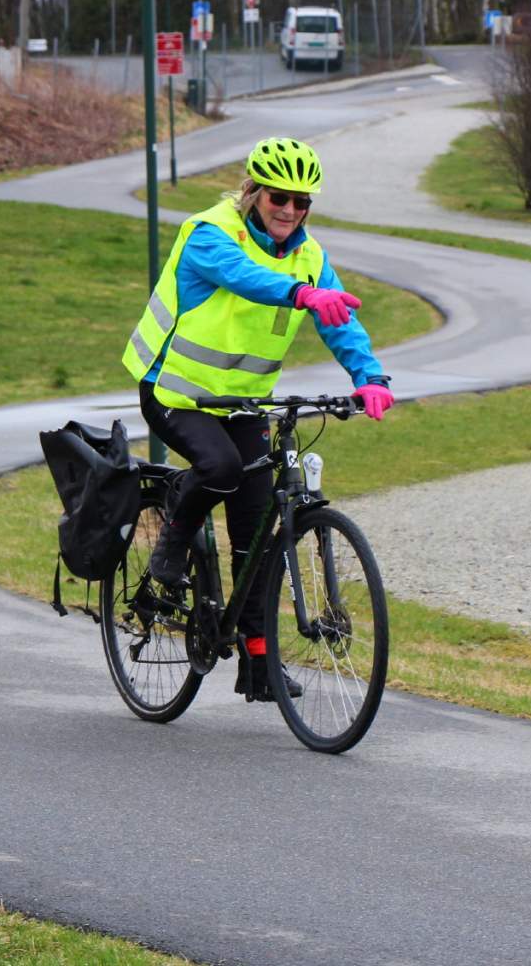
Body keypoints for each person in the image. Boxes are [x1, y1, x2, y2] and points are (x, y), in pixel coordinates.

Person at [120, 136, 394, 701]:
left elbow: (340, 320)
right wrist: (299, 294)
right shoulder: (210, 232)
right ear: (253, 191)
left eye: (302, 202)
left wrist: (368, 377)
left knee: (256, 526)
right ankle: (172, 545)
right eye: (279, 197)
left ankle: (257, 661)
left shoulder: (311, 257)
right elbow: (242, 275)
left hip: (244, 403)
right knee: (218, 467)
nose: (290, 210)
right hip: (175, 391)